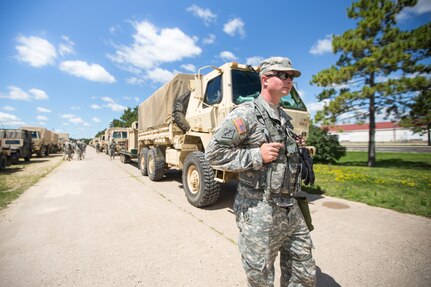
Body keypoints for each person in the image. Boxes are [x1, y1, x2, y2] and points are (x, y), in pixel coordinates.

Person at [206, 57, 316, 286]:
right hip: (260, 209)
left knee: (303, 271)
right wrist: (257, 155)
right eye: (283, 75)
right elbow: (214, 154)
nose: (289, 81)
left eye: (292, 77)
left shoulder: (283, 117)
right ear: (265, 79)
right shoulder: (245, 114)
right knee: (261, 276)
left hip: (291, 206)